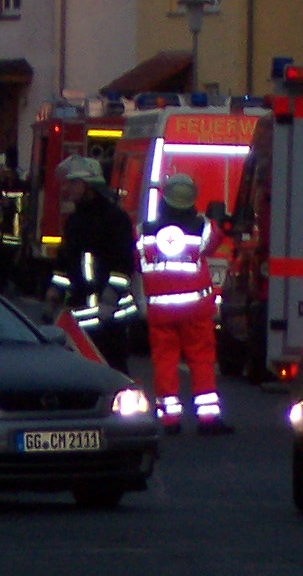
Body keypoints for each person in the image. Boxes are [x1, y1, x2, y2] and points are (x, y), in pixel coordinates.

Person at [139, 171, 229, 435]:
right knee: (201, 359)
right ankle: (207, 418)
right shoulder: (203, 228)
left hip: (160, 311)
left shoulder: (144, 230)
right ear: (191, 200)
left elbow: (138, 260)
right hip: (195, 310)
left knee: (164, 361)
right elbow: (214, 243)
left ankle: (169, 419)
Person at [55, 157, 139, 369]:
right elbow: (66, 263)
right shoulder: (74, 220)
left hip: (111, 317)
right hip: (82, 313)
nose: (68, 188)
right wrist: (54, 293)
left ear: (89, 185)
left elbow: (123, 264)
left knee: (112, 371)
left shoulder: (115, 218)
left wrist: (109, 298)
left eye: (74, 183)